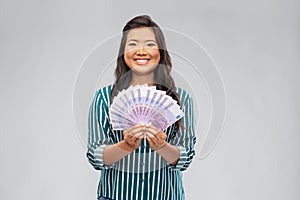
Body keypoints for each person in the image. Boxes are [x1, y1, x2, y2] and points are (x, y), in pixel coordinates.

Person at [87, 15, 196, 200]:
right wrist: (125, 145)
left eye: (150, 44)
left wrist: (162, 146)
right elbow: (96, 156)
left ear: (161, 51)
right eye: (133, 44)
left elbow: (185, 157)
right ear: (123, 52)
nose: (141, 51)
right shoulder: (104, 98)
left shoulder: (181, 99)